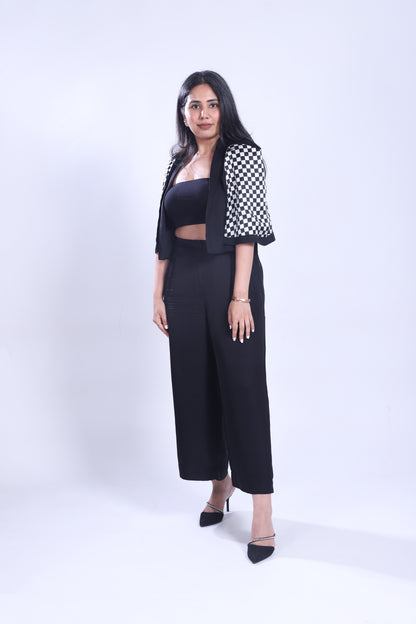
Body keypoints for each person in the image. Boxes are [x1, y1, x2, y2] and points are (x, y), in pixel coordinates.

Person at [153, 70, 276, 564]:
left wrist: (240, 295)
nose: (203, 114)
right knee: (195, 385)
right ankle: (219, 484)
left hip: (228, 276)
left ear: (224, 107)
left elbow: (248, 229)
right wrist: (158, 293)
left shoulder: (241, 154)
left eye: (211, 104)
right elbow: (163, 231)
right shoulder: (178, 160)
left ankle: (262, 511)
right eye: (193, 105)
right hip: (182, 279)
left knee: (242, 388)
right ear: (183, 112)